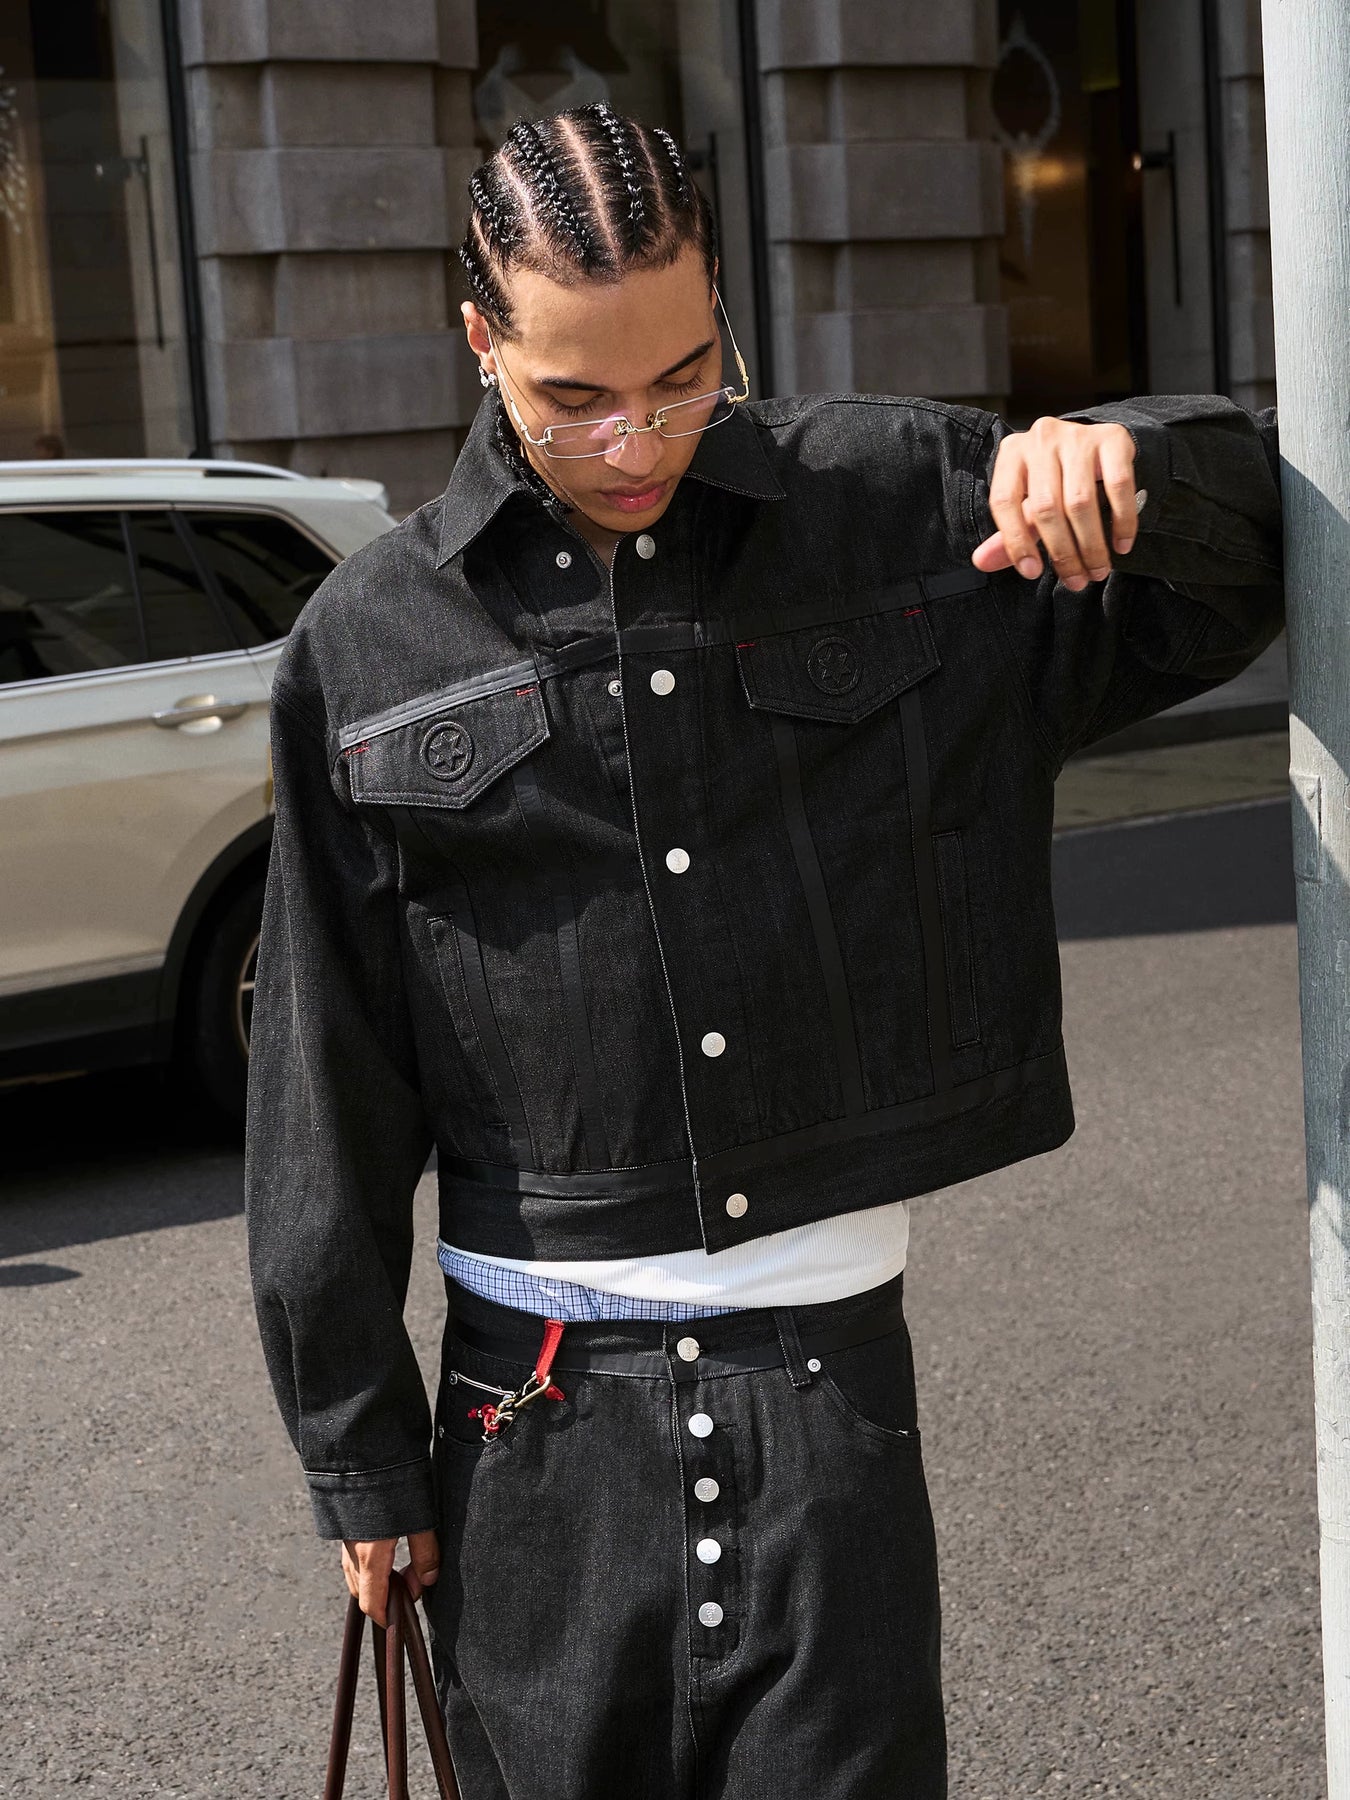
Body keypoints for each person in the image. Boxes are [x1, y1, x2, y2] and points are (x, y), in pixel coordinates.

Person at [243, 102, 1283, 1799]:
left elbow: (1244, 572)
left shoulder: (898, 507)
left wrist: (1130, 460)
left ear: (721, 300)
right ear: (479, 339)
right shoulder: (368, 646)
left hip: (829, 1391)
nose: (635, 438)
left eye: (682, 374)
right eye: (574, 397)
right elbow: (321, 1085)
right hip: (529, 1425)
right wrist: (359, 1465)